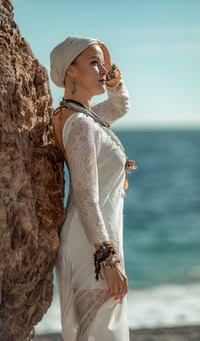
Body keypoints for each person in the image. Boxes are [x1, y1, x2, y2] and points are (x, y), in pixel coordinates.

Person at [50, 36, 136, 341]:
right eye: (94, 62)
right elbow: (86, 197)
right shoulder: (83, 125)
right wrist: (107, 259)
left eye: (104, 64)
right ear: (70, 71)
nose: (103, 70)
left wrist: (113, 79)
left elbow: (120, 106)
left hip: (94, 243)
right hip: (93, 249)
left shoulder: (80, 116)